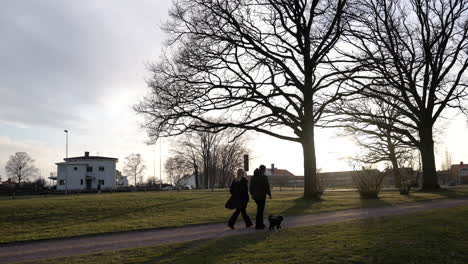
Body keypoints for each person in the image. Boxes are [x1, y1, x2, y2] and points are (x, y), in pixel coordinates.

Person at [249, 165, 271, 229]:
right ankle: (259, 225)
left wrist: (252, 194)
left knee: (259, 210)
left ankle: (260, 224)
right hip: (262, 196)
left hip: (255, 196)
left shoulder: (253, 177)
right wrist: (269, 194)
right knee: (260, 211)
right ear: (263, 170)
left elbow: (251, 187)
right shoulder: (264, 177)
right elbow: (267, 187)